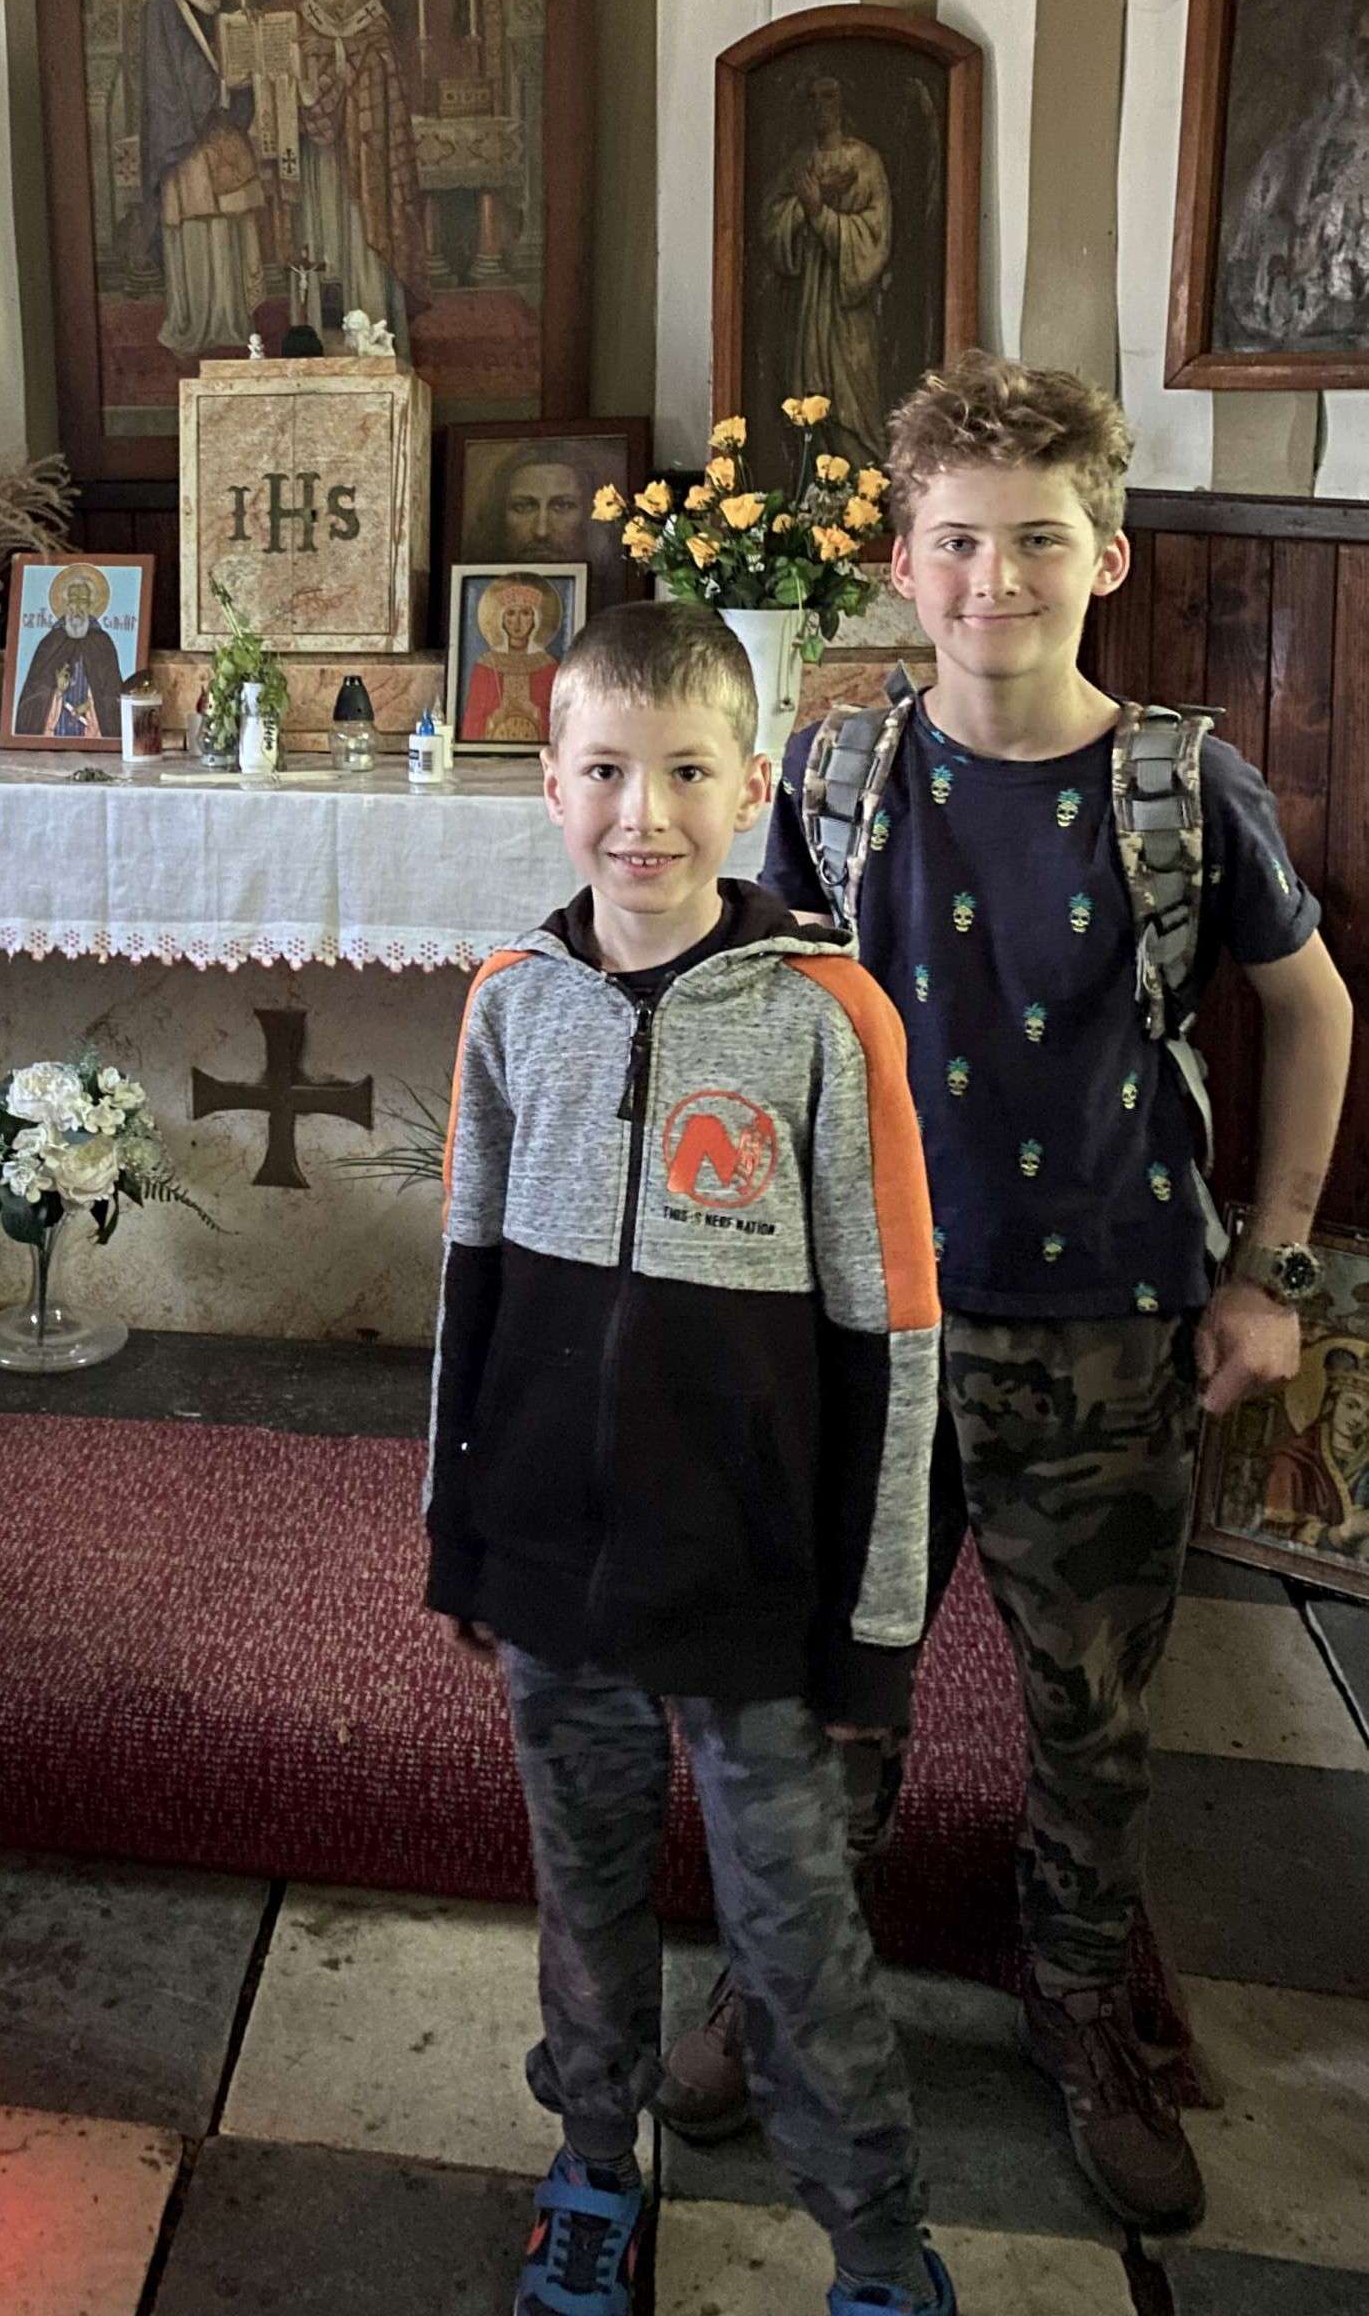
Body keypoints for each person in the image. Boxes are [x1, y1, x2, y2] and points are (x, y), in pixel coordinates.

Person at [660, 355, 1355, 2238]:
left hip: (1107, 1331)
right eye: (958, 543)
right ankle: (782, 1980)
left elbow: (1309, 1008)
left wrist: (1271, 1266)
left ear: (1105, 555)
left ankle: (1076, 2008)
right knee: (829, 1689)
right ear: (901, 562)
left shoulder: (1181, 783)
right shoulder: (837, 772)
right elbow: (768, 1016)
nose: (995, 581)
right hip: (871, 1327)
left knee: (1092, 1714)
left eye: (1037, 541)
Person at [430, 602, 955, 2316]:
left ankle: (876, 2249)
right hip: (554, 1570)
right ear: (549, 782)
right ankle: (593, 2165)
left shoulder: (824, 1019)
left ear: (750, 783)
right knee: (582, 1905)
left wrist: (874, 1631)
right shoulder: (512, 1005)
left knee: (796, 1944)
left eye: (681, 773)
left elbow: (892, 1341)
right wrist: (462, 1538)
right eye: (602, 771)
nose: (639, 815)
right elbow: (469, 1289)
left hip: (753, 1589)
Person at [294, 0, 428, 352]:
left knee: (363, 235)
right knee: (325, 237)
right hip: (322, 155)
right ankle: (324, 336)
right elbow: (293, 78)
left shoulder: (374, 20)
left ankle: (371, 332)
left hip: (367, 147)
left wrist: (352, 71)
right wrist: (313, 82)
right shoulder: (303, 18)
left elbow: (388, 83)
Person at [139, 0, 269, 356]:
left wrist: (245, 37)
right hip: (186, 133)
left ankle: (229, 318)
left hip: (215, 125)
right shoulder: (162, 0)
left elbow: (218, 46)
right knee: (197, 226)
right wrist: (217, 91)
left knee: (227, 225)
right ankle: (197, 321)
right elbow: (170, 69)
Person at [762, 75, 892, 475]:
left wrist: (821, 214)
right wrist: (802, 209)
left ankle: (865, 491)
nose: (821, 106)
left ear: (843, 102)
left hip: (849, 310)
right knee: (809, 401)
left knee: (853, 404)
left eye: (829, 96)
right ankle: (817, 491)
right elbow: (773, 225)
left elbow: (874, 236)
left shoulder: (866, 162)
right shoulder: (799, 164)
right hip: (806, 307)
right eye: (813, 98)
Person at [1260, 1340, 1369, 1552]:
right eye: (1351, 1405)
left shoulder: (1365, 1465)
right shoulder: (1293, 1459)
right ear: (1332, 1402)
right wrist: (1342, 1533)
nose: (1358, 1419)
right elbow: (1276, 1532)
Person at [15, 565, 124, 738]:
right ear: (66, 604)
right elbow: (33, 693)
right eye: (73, 600)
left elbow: (112, 692)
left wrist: (91, 704)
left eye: (83, 600)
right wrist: (56, 691)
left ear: (90, 605)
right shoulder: (51, 642)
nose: (78, 606)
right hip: (56, 727)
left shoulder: (103, 643)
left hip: (91, 728)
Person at [459, 574, 563, 745]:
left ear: (535, 619)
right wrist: (494, 717)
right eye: (511, 613)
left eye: (525, 613)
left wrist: (535, 713)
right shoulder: (487, 665)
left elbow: (559, 723)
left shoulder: (548, 666)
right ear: (502, 619)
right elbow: (473, 724)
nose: (517, 622)